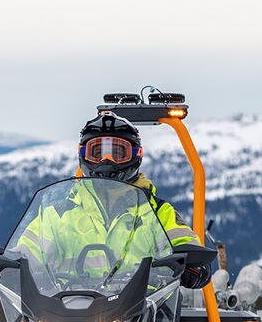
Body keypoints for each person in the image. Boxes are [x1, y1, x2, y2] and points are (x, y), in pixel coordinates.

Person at [17, 112, 209, 287]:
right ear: (84, 155)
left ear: (136, 155)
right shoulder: (58, 214)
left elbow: (184, 242)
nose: (106, 160)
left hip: (147, 310)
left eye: (117, 153)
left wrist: (192, 265)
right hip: (70, 308)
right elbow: (27, 250)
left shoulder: (157, 212)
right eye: (97, 152)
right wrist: (12, 265)